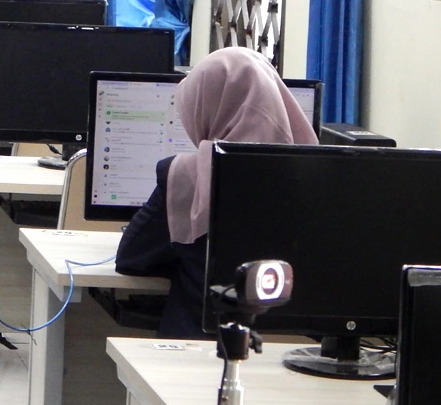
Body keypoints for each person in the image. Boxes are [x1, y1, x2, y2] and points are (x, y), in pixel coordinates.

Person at [114, 47, 318, 338]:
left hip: (199, 350)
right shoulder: (319, 177)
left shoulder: (187, 175)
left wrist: (183, 259)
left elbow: (131, 259)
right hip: (292, 353)